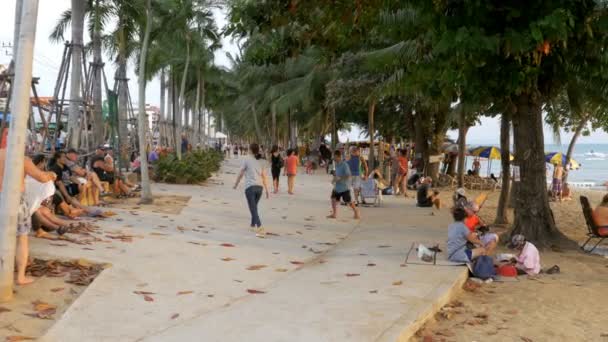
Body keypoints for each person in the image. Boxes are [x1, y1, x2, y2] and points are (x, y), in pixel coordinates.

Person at [233, 143, 270, 238]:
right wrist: (267, 190)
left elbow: (241, 172)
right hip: (259, 188)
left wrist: (236, 184)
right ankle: (252, 225)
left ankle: (260, 228)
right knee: (254, 207)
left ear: (250, 149)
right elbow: (264, 176)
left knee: (253, 208)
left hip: (250, 187)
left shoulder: (247, 159)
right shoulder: (260, 161)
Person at [327, 150, 360, 220]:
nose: (334, 159)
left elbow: (348, 175)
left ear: (339, 157)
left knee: (348, 201)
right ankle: (334, 214)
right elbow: (336, 174)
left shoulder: (344, 165)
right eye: (334, 157)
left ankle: (356, 212)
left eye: (335, 157)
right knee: (333, 198)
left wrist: (340, 178)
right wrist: (334, 179)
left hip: (344, 187)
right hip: (337, 187)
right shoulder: (336, 164)